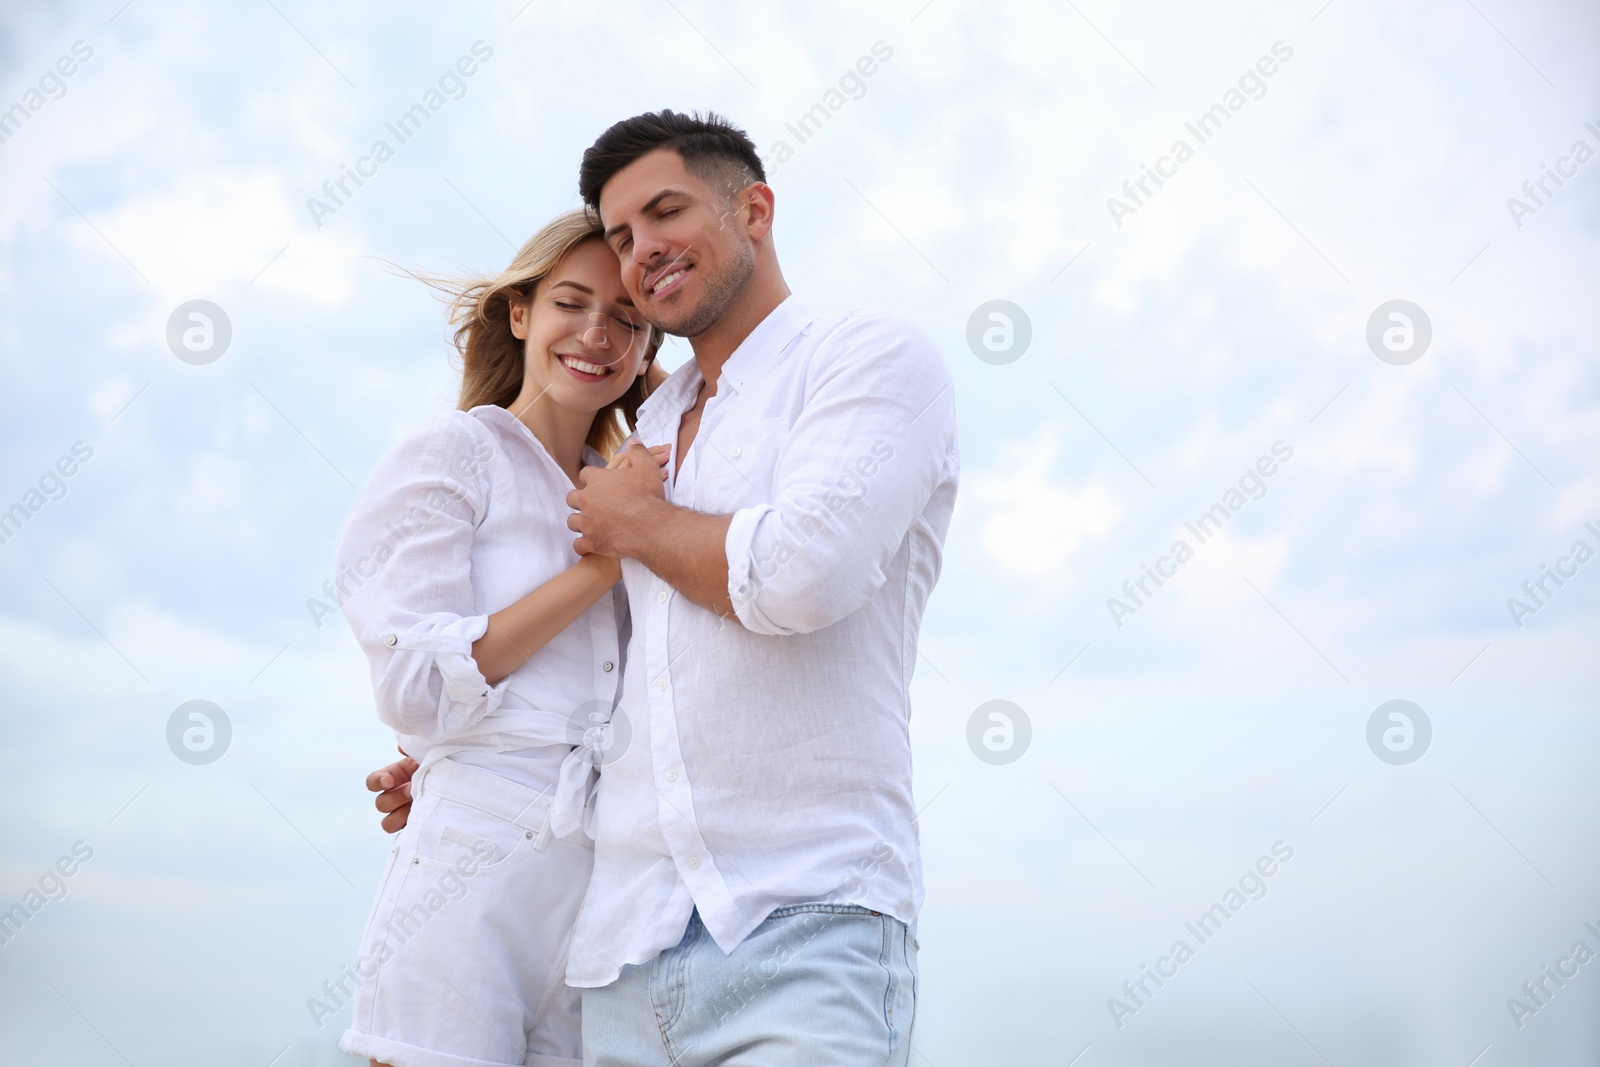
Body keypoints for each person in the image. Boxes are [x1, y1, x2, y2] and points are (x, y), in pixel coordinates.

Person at [371, 110, 959, 1066]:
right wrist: (458, 758)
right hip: (617, 955)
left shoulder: (867, 359)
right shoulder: (648, 430)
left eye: (665, 211)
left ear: (755, 209)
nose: (641, 250)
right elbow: (626, 682)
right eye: (620, 235)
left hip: (805, 923)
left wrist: (634, 527)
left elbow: (802, 576)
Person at [337, 209, 668, 1067]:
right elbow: (413, 685)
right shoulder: (455, 454)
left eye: (627, 318)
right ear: (520, 313)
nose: (598, 334)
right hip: (466, 879)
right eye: (570, 302)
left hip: (609, 898)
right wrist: (604, 564)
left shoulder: (635, 497)